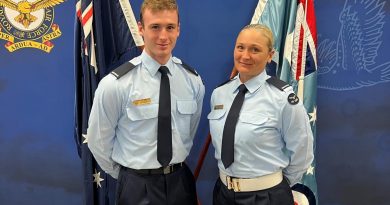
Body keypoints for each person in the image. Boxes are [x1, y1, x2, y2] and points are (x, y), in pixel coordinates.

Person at [87, 0, 204, 204]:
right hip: (137, 185)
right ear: (141, 28)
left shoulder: (192, 80)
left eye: (170, 27)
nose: (163, 36)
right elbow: (99, 142)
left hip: (180, 183)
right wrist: (127, 174)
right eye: (155, 27)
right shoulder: (116, 84)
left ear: (179, 30)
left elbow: (189, 131)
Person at [208, 24, 314, 205]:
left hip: (266, 197)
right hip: (223, 193)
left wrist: (276, 185)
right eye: (240, 47)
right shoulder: (220, 94)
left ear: (270, 55)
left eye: (255, 49)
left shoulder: (282, 98)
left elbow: (302, 152)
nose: (245, 55)